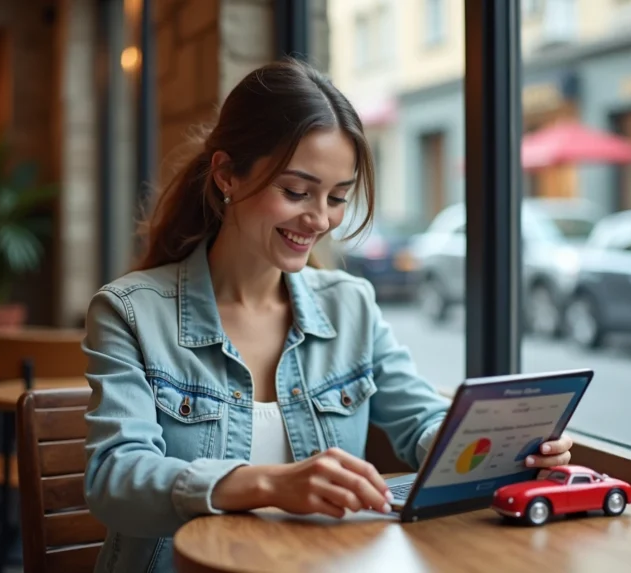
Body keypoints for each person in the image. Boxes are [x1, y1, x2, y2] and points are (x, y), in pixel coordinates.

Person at [81, 58, 573, 573]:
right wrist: (271, 484)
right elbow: (114, 478)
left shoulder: (350, 305)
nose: (320, 219)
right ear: (227, 174)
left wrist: (501, 447)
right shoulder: (130, 312)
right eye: (296, 192)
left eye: (338, 197)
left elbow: (423, 420)